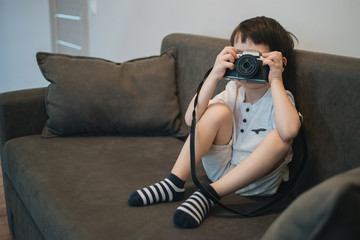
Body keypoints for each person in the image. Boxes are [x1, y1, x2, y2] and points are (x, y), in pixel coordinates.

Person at [128, 16, 301, 228]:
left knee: (280, 138)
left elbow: (290, 131)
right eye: (240, 56)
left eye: (254, 58)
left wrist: (275, 79)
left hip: (256, 183)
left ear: (278, 62)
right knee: (217, 111)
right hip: (217, 171)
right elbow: (191, 119)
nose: (246, 64)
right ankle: (174, 183)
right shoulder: (232, 91)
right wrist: (215, 75)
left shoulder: (279, 97)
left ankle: (210, 195)